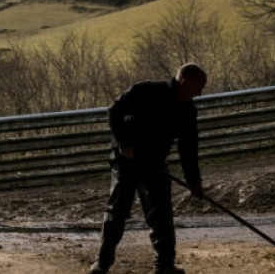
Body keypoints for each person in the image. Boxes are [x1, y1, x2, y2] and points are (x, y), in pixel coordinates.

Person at [88, 62, 208, 274]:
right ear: (185, 82)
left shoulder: (188, 111)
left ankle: (164, 266)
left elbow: (188, 147)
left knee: (161, 214)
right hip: (126, 160)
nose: (199, 93)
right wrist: (124, 143)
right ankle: (102, 263)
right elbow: (114, 111)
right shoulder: (145, 91)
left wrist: (194, 182)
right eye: (199, 88)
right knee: (118, 211)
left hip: (155, 163)